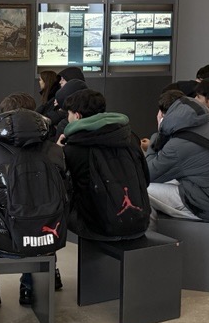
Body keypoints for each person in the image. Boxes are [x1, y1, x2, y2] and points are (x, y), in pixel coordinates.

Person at [0, 104, 70, 306]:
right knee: (40, 222)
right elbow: (67, 198)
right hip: (46, 240)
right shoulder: (55, 152)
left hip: (1, 243)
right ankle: (29, 288)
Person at [62, 89, 151, 240]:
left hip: (97, 228)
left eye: (69, 114)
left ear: (77, 116)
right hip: (139, 223)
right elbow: (146, 178)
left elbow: (65, 189)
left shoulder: (74, 148)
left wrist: (58, 153)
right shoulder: (130, 138)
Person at [141, 90, 209, 222]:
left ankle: (149, 239)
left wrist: (158, 134)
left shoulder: (178, 145)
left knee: (140, 189)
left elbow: (147, 174)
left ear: (163, 115)